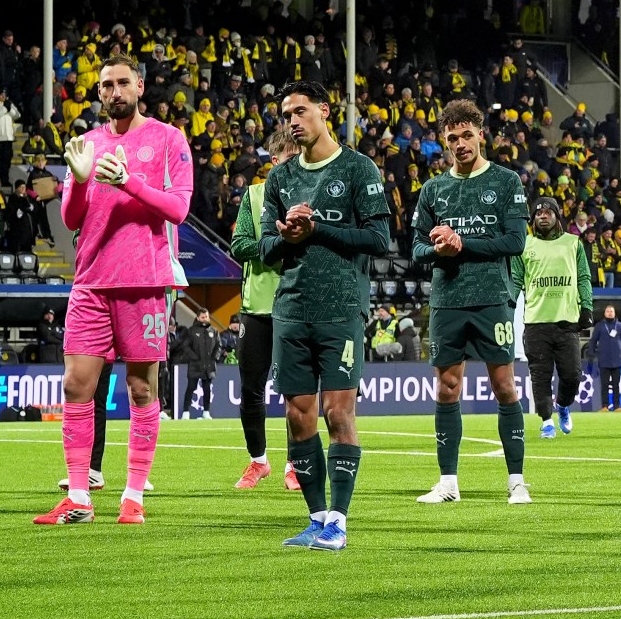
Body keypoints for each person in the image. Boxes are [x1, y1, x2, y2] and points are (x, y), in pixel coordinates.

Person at [33, 58, 192, 527]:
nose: (115, 90)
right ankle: (79, 496)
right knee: (75, 385)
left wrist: (129, 181)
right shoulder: (88, 143)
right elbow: (71, 219)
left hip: (144, 280)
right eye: (107, 85)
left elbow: (179, 209)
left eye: (123, 82)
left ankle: (133, 496)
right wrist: (79, 180)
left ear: (140, 86)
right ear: (99, 93)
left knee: (142, 387)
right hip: (91, 281)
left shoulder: (168, 139)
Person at [258, 80, 393, 551]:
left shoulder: (359, 169)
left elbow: (379, 240)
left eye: (300, 110)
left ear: (324, 110)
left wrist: (318, 227)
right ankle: (316, 517)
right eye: (285, 114)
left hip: (340, 310)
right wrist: (289, 237)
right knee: (298, 417)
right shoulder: (280, 178)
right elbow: (264, 248)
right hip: (291, 309)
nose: (293, 121)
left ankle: (339, 519)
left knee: (339, 414)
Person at [412, 100, 533, 505]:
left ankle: (516, 481)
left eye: (467, 135)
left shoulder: (505, 181)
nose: (460, 144)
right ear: (444, 143)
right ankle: (448, 482)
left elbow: (515, 242)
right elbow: (415, 250)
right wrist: (437, 250)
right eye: (452, 138)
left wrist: (462, 244)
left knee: (504, 386)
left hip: (493, 299)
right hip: (447, 301)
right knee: (447, 389)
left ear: (481, 134)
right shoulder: (433, 189)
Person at [226, 133, 295, 489]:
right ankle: (258, 462)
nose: (283, 163)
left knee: (296, 392)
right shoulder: (254, 196)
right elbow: (237, 244)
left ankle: (294, 466)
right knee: (251, 388)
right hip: (256, 307)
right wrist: (276, 246)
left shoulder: (310, 197)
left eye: (291, 157)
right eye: (279, 158)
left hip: (297, 306)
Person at [519, 193, 593, 439]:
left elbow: (583, 277)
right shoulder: (525, 244)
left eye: (547, 212)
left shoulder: (573, 243)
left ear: (556, 216)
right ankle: (546, 421)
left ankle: (562, 406)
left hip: (566, 321)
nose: (542, 216)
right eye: (538, 213)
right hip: (536, 321)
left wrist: (587, 308)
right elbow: (516, 280)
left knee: (572, 375)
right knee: (540, 376)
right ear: (532, 218)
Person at [588, 304, 621, 411]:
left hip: (617, 359)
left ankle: (617, 406)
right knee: (604, 385)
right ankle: (604, 406)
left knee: (616, 385)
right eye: (608, 311)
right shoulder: (600, 326)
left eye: (612, 311)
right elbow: (593, 341)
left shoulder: (619, 326)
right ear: (604, 313)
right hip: (604, 359)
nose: (610, 313)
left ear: (614, 313)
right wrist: (591, 354)